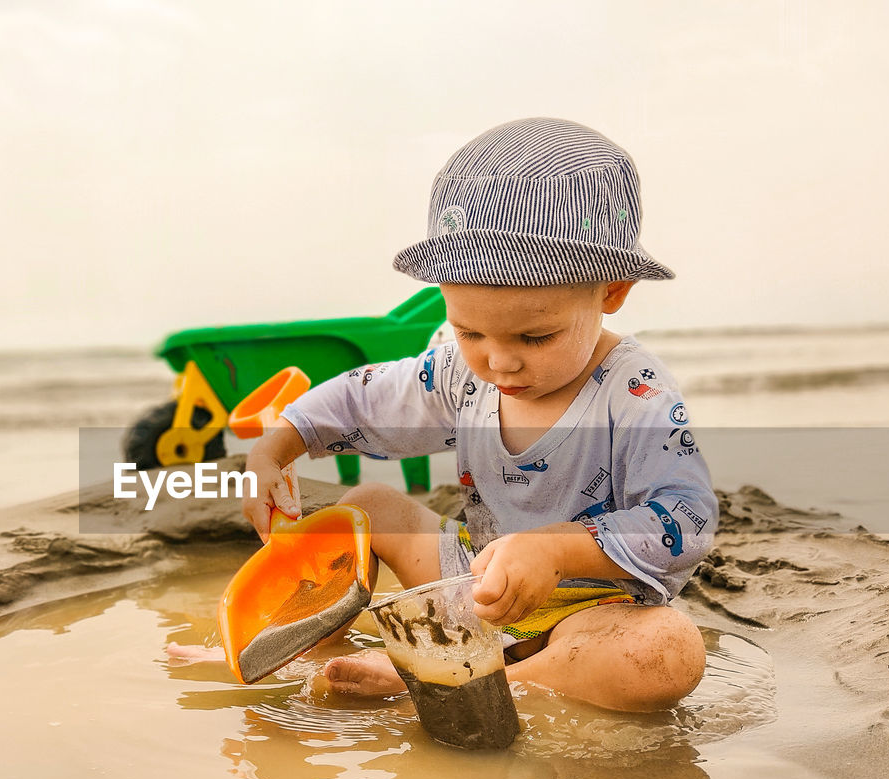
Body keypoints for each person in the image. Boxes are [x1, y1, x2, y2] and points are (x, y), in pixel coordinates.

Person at [240, 118, 717, 713]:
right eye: (469, 331)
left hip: (593, 607)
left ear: (612, 290)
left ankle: (475, 677)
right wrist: (274, 450)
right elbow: (361, 398)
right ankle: (305, 648)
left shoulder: (633, 392)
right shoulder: (464, 375)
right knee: (365, 509)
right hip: (473, 581)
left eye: (535, 336)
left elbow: (685, 519)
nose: (499, 361)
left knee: (667, 654)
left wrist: (556, 551)